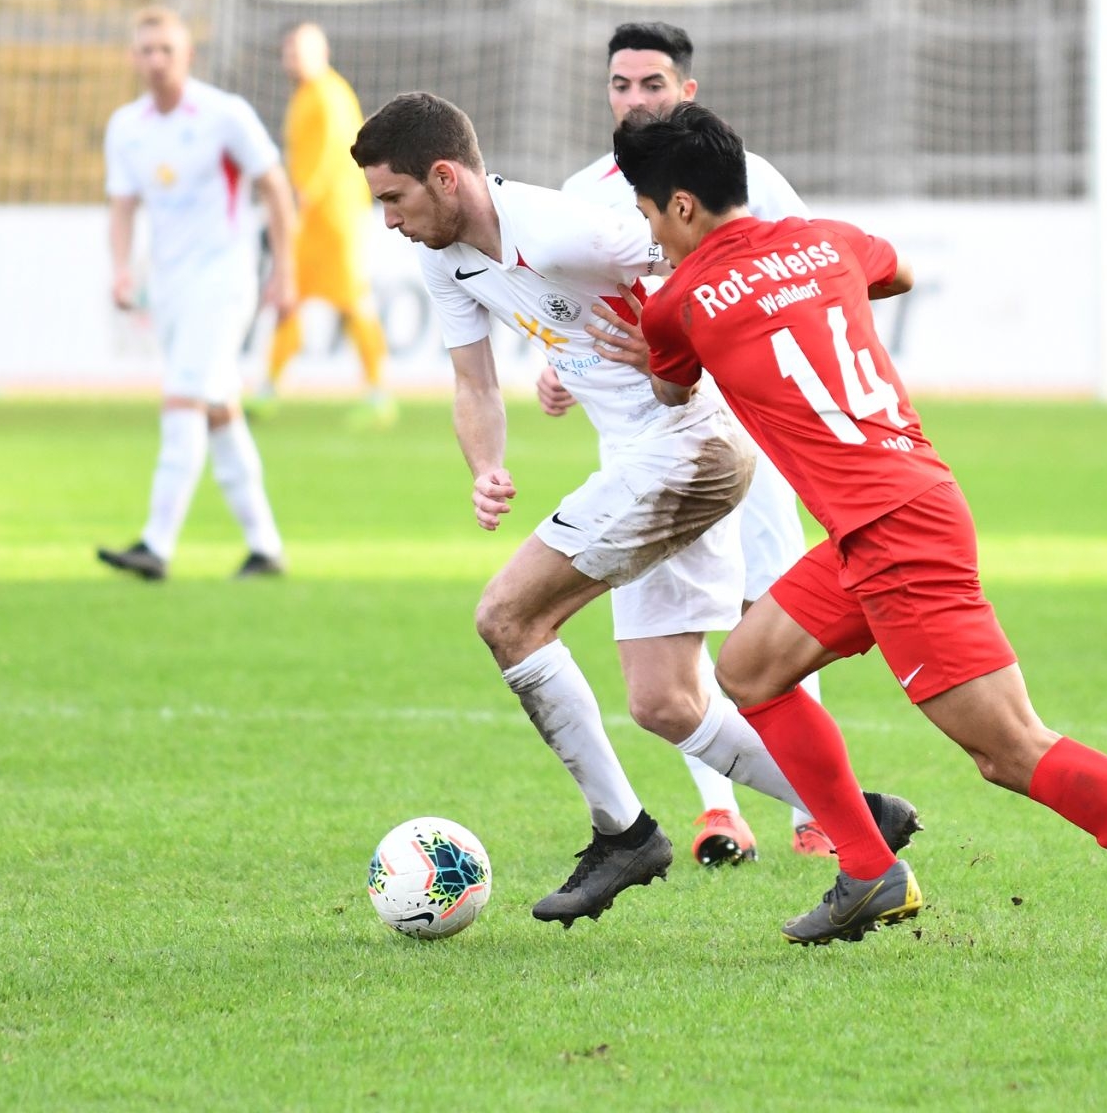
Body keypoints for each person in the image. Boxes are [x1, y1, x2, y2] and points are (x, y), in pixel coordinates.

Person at [591, 103, 1107, 967]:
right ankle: (869, 870)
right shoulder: (829, 239)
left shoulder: (679, 302)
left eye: (650, 216)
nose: (651, 235)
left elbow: (669, 390)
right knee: (748, 669)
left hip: (893, 538)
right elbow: (900, 273)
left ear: (683, 205)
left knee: (1009, 748)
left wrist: (643, 347)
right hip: (896, 509)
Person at [347, 92, 916, 927]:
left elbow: (710, 253)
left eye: (394, 199)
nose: (388, 221)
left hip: (687, 443)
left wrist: (670, 335)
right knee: (666, 702)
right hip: (650, 459)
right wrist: (487, 465)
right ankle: (855, 820)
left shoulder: (567, 229)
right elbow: (472, 380)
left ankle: (625, 833)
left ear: (445, 177)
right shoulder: (447, 255)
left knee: (508, 617)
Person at [551, 21, 831, 865]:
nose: (635, 100)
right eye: (621, 85)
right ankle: (719, 810)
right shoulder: (579, 193)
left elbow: (806, 277)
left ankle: (811, 812)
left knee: (770, 609)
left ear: (686, 92)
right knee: (675, 626)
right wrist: (559, 369)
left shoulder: (747, 180)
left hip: (743, 428)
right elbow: (571, 307)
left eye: (652, 85)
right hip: (642, 445)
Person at [96, 6, 294, 582]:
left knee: (182, 397)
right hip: (171, 285)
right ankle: (265, 545)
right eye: (146, 50)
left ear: (187, 56)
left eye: (167, 50)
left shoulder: (224, 114)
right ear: (133, 58)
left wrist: (286, 270)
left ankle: (156, 546)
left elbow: (275, 188)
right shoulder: (126, 127)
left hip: (225, 276)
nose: (156, 60)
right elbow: (123, 205)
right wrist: (119, 269)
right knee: (217, 410)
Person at [259, 23, 396, 427]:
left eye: (299, 51)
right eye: (288, 52)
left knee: (353, 301)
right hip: (312, 219)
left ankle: (378, 393)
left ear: (321, 52)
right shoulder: (304, 96)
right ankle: (268, 387)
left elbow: (334, 153)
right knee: (288, 298)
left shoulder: (328, 94)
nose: (292, 59)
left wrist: (300, 198)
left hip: (335, 219)